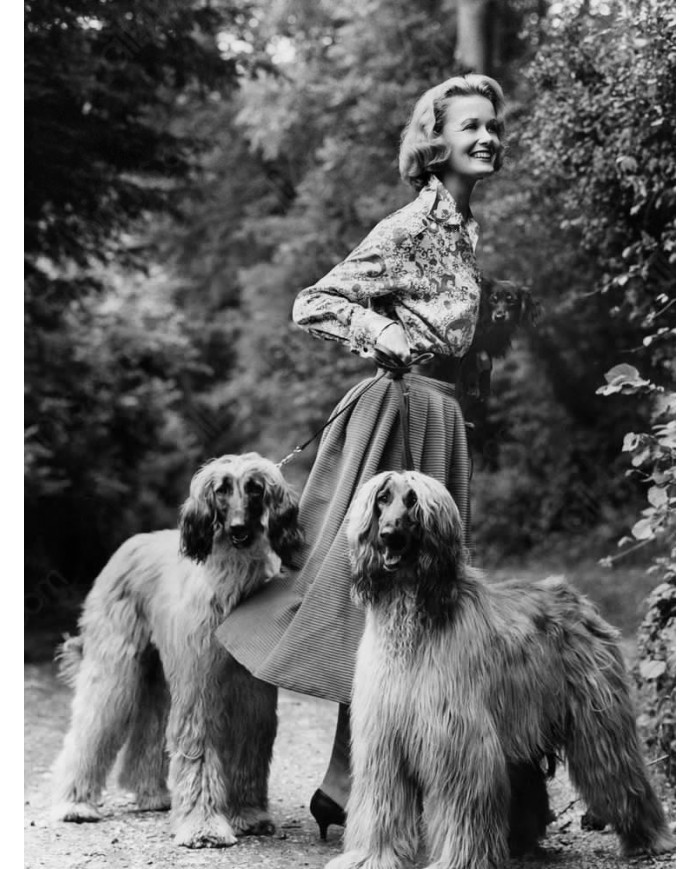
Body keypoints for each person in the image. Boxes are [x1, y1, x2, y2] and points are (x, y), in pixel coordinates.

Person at [216, 73, 506, 839]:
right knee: (374, 586)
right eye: (470, 125)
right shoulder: (412, 225)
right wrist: (382, 335)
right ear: (435, 142)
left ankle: (384, 782)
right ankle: (349, 782)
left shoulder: (464, 229)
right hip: (402, 414)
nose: (487, 137)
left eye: (493, 126)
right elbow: (314, 300)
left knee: (426, 600)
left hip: (443, 417)